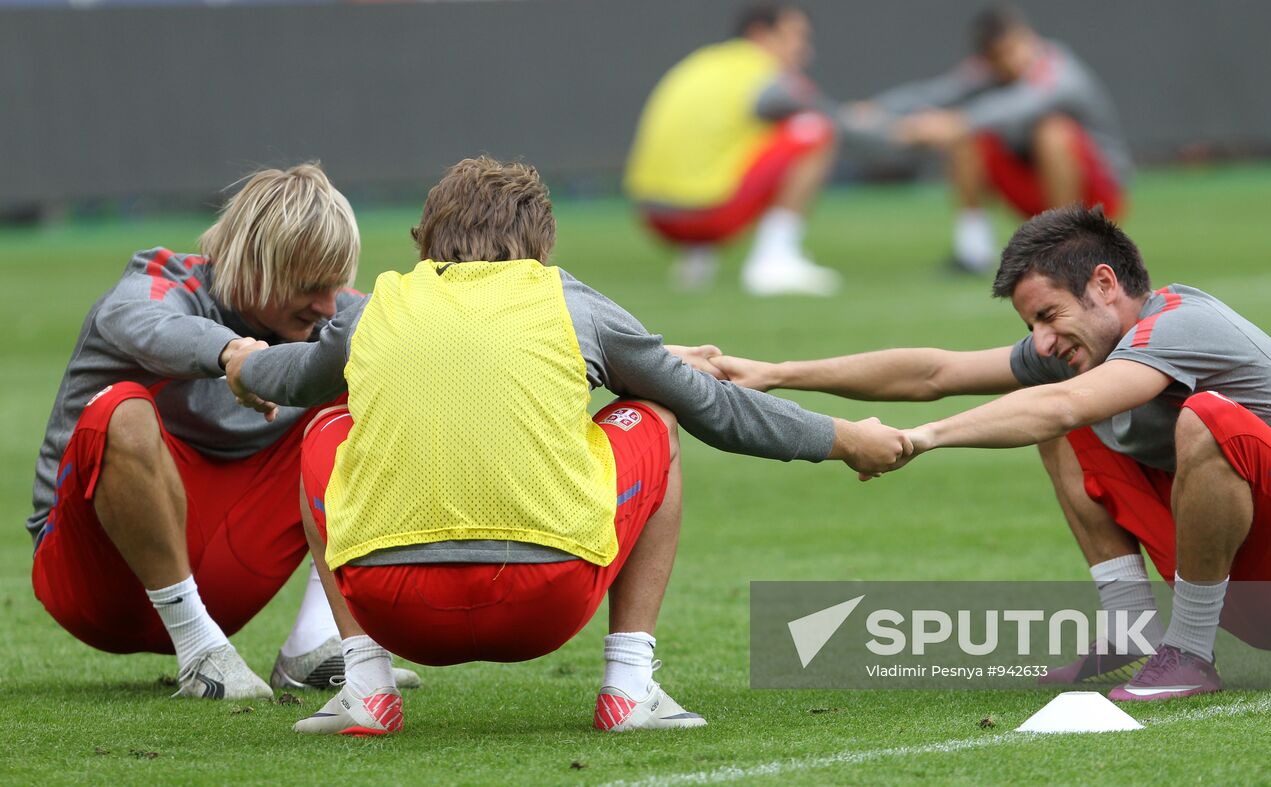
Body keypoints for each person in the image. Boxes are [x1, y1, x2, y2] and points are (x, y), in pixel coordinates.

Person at [223, 156, 911, 735]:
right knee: (656, 415)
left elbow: (288, 376)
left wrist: (237, 362)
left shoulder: (375, 309)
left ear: (425, 241)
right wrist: (845, 437)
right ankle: (628, 686)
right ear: (540, 245)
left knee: (325, 426)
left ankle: (368, 688)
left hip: (395, 605)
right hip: (545, 601)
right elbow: (710, 405)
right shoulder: (569, 299)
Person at [710, 205, 1271, 700]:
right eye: (1029, 324)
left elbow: (1064, 404)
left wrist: (924, 439)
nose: (1038, 339)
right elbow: (934, 373)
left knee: (1200, 418)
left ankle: (1188, 652)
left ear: (1103, 284)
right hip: (1248, 579)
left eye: (1047, 316)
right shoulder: (1088, 347)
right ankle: (1133, 628)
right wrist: (776, 370)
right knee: (1058, 401)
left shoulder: (1183, 325)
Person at [27, 163, 419, 701]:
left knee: (377, 379)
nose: (329, 306)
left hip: (231, 567)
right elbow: (137, 316)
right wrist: (232, 352)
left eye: (335, 286)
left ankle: (320, 640)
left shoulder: (325, 314)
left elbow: (408, 334)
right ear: (255, 266)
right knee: (121, 410)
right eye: (309, 287)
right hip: (94, 580)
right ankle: (199, 651)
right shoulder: (161, 283)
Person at [849, 4, 1130, 274]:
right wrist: (881, 109)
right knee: (968, 139)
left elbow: (1019, 105)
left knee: (1051, 132)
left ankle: (1068, 246)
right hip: (1034, 187)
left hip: (1097, 196)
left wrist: (952, 123)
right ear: (988, 58)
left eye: (1016, 46)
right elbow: (936, 93)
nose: (1013, 59)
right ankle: (973, 251)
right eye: (1001, 54)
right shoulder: (986, 71)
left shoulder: (1060, 71)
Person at [624, 3, 843, 296]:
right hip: (707, 215)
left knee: (742, 136)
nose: (805, 51)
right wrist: (895, 131)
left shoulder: (704, 61)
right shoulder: (765, 73)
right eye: (796, 37)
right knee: (814, 128)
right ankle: (774, 261)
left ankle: (698, 258)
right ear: (761, 34)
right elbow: (835, 118)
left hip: (650, 214)